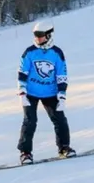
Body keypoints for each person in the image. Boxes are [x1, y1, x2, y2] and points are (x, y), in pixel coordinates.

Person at [16, 21, 72, 164]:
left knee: (60, 119)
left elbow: (61, 75)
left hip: (51, 93)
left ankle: (64, 147)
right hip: (31, 93)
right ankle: (25, 153)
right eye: (36, 36)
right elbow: (22, 72)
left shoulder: (57, 53)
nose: (38, 39)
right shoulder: (29, 52)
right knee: (30, 121)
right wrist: (22, 91)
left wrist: (62, 94)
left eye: (40, 36)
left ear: (49, 35)